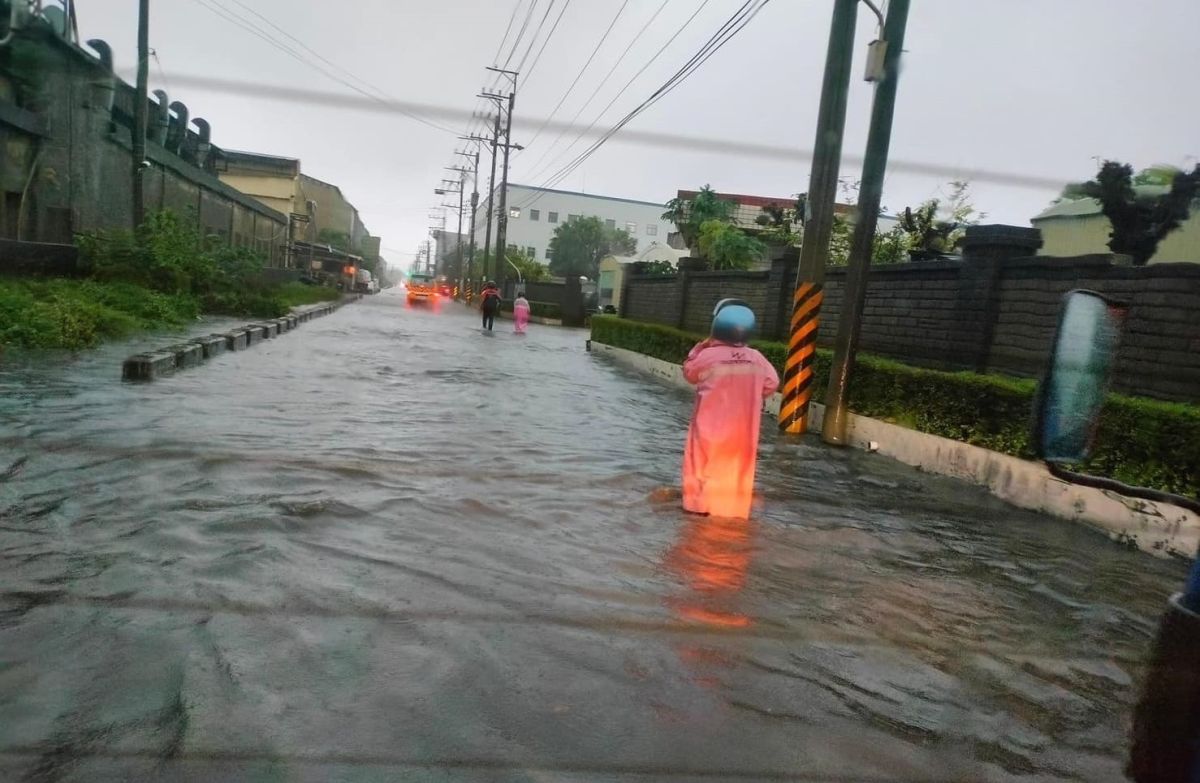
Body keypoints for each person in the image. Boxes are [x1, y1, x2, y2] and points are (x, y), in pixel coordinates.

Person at [681, 299, 779, 520]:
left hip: (709, 428)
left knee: (701, 466)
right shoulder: (757, 358)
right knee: (739, 469)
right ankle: (731, 512)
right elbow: (771, 383)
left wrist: (700, 347)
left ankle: (698, 509)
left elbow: (689, 373)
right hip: (743, 430)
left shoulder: (707, 356)